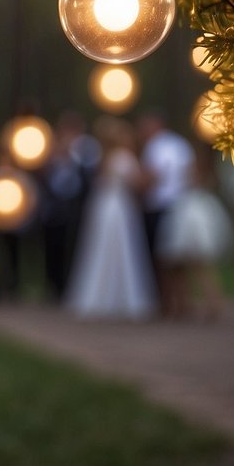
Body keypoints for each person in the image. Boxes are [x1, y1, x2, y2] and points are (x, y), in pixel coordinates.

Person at [66, 116, 156, 319]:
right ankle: (121, 296)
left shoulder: (106, 157)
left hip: (104, 206)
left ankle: (102, 295)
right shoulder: (125, 157)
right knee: (120, 248)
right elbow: (136, 183)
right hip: (119, 208)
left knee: (104, 249)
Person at [157, 144, 234, 319]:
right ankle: (185, 303)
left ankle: (211, 303)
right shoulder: (201, 171)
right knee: (181, 266)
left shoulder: (196, 172)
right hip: (187, 212)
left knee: (198, 265)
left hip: (191, 216)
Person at [138, 113, 195, 315]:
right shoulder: (180, 145)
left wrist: (138, 188)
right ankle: (181, 303)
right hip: (179, 205)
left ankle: (165, 302)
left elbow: (152, 176)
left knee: (160, 257)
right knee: (177, 258)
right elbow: (191, 174)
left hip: (159, 207)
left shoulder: (154, 147)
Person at [40, 112, 100, 302]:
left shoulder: (87, 147)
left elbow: (90, 172)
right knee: (53, 246)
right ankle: (54, 286)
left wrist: (70, 155)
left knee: (73, 246)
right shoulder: (52, 146)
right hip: (55, 207)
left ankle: (69, 287)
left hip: (77, 206)